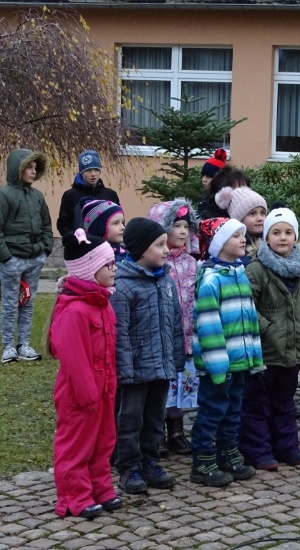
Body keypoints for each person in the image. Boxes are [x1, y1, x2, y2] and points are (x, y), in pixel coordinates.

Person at [239, 208, 300, 470]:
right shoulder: (256, 270)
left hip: (293, 348)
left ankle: (287, 446)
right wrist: (267, 329)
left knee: (285, 401)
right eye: (276, 232)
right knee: (257, 403)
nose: (282, 238)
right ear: (266, 238)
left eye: (288, 232)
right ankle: (258, 450)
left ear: (295, 237)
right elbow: (246, 306)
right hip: (265, 350)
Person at [49, 229, 121, 519]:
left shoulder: (102, 304)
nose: (114, 268)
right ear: (91, 270)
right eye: (108, 264)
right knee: (77, 444)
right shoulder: (74, 311)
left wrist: (109, 385)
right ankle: (74, 496)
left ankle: (100, 488)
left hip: (103, 390)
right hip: (80, 394)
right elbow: (74, 358)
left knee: (103, 441)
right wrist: (87, 392)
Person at [110, 217, 184, 494]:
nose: (167, 250)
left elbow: (176, 324)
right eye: (160, 245)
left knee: (155, 418)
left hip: (162, 365)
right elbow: (120, 334)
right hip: (135, 371)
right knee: (130, 420)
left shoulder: (166, 281)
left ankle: (151, 461)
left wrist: (175, 358)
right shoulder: (124, 285)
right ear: (141, 250)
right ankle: (129, 467)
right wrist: (125, 371)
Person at [191, 217, 264, 487]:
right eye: (236, 236)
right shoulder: (211, 280)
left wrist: (253, 356)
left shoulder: (239, 274)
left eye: (243, 235)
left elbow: (250, 320)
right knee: (212, 411)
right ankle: (203, 459)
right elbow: (208, 325)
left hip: (239, 361)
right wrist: (217, 365)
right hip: (218, 365)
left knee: (234, 410)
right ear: (220, 243)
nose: (243, 239)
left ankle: (228, 452)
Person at [146, 198, 200, 455]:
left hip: (187, 338)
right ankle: (155, 433)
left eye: (186, 226)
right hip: (163, 339)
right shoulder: (157, 265)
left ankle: (176, 431)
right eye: (176, 225)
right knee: (162, 389)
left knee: (182, 386)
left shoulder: (192, 263)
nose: (182, 231)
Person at [0, 148, 53, 363]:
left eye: (35, 168)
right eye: (28, 167)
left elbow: (47, 225)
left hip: (34, 258)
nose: (33, 172)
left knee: (28, 303)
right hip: (12, 260)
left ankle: (24, 345)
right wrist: (7, 258)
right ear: (17, 169)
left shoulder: (37, 196)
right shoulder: (4, 195)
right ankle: (8, 347)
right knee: (10, 303)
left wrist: (45, 249)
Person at [57, 150, 121, 237]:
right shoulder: (70, 195)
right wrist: (73, 240)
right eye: (89, 170)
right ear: (81, 172)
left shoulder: (110, 195)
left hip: (106, 247)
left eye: (96, 170)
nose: (93, 174)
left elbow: (119, 220)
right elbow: (64, 224)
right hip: (79, 247)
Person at [215, 186, 268, 265]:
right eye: (252, 214)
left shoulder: (270, 240)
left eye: (262, 213)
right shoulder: (233, 249)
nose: (260, 218)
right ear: (239, 219)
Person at [80, 198, 126, 262]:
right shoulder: (94, 258)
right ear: (99, 228)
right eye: (116, 223)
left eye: (123, 222)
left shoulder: (126, 252)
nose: (123, 227)